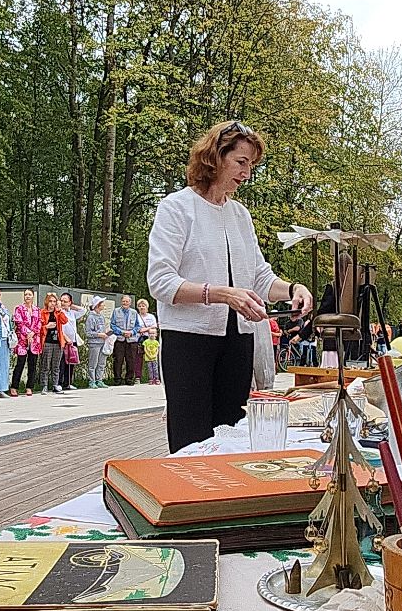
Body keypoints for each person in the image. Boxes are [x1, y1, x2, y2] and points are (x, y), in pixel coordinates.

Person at [146, 120, 312, 451]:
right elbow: (160, 282)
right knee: (191, 442)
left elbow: (260, 277)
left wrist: (293, 289)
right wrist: (222, 295)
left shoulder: (239, 215)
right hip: (189, 341)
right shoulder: (177, 208)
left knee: (232, 439)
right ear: (215, 157)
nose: (247, 173)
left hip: (238, 342)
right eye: (241, 162)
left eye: (251, 165)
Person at [10, 289, 42, 396]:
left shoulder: (37, 309)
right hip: (22, 340)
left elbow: (39, 323)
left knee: (32, 364)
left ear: (33, 296)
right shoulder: (19, 308)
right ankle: (14, 387)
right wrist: (28, 333)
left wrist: (32, 333)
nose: (27, 296)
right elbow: (19, 323)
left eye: (29, 294)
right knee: (20, 363)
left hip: (34, 340)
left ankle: (29, 387)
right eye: (26, 294)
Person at [110, 294, 142, 385]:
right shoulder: (116, 311)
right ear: (121, 302)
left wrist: (131, 332)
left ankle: (129, 379)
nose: (125, 303)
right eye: (124, 301)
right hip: (119, 339)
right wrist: (121, 332)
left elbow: (138, 326)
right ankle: (117, 379)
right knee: (118, 360)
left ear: (130, 303)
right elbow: (112, 325)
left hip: (131, 340)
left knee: (131, 360)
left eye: (127, 301)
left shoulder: (134, 312)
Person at [37, 292, 65, 393]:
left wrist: (60, 310)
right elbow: (38, 327)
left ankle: (55, 385)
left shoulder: (57, 313)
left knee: (56, 365)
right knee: (45, 365)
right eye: (50, 301)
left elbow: (64, 321)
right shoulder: (42, 312)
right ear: (46, 302)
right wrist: (46, 326)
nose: (52, 303)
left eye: (54, 301)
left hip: (58, 342)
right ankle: (44, 385)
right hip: (47, 341)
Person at [83, 297, 111, 387]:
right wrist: (99, 334)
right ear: (97, 305)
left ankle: (99, 379)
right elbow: (88, 333)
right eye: (102, 303)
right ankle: (92, 381)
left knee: (102, 362)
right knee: (93, 363)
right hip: (94, 343)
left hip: (103, 342)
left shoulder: (101, 316)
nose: (104, 305)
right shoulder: (90, 317)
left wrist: (107, 332)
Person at [58, 292, 81, 391]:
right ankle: (59, 382)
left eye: (65, 301)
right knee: (62, 362)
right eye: (61, 301)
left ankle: (68, 383)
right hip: (63, 340)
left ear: (70, 302)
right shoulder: (59, 312)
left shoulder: (72, 313)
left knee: (71, 362)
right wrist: (65, 337)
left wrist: (71, 306)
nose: (63, 303)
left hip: (72, 341)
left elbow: (83, 311)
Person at [136, 298, 160, 384]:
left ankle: (155, 377)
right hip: (140, 338)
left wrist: (145, 329)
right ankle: (137, 377)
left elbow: (154, 328)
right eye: (140, 306)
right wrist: (149, 328)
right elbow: (138, 329)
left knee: (153, 357)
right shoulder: (136, 317)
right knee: (138, 358)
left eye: (143, 306)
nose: (142, 307)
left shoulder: (151, 316)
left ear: (147, 307)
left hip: (151, 339)